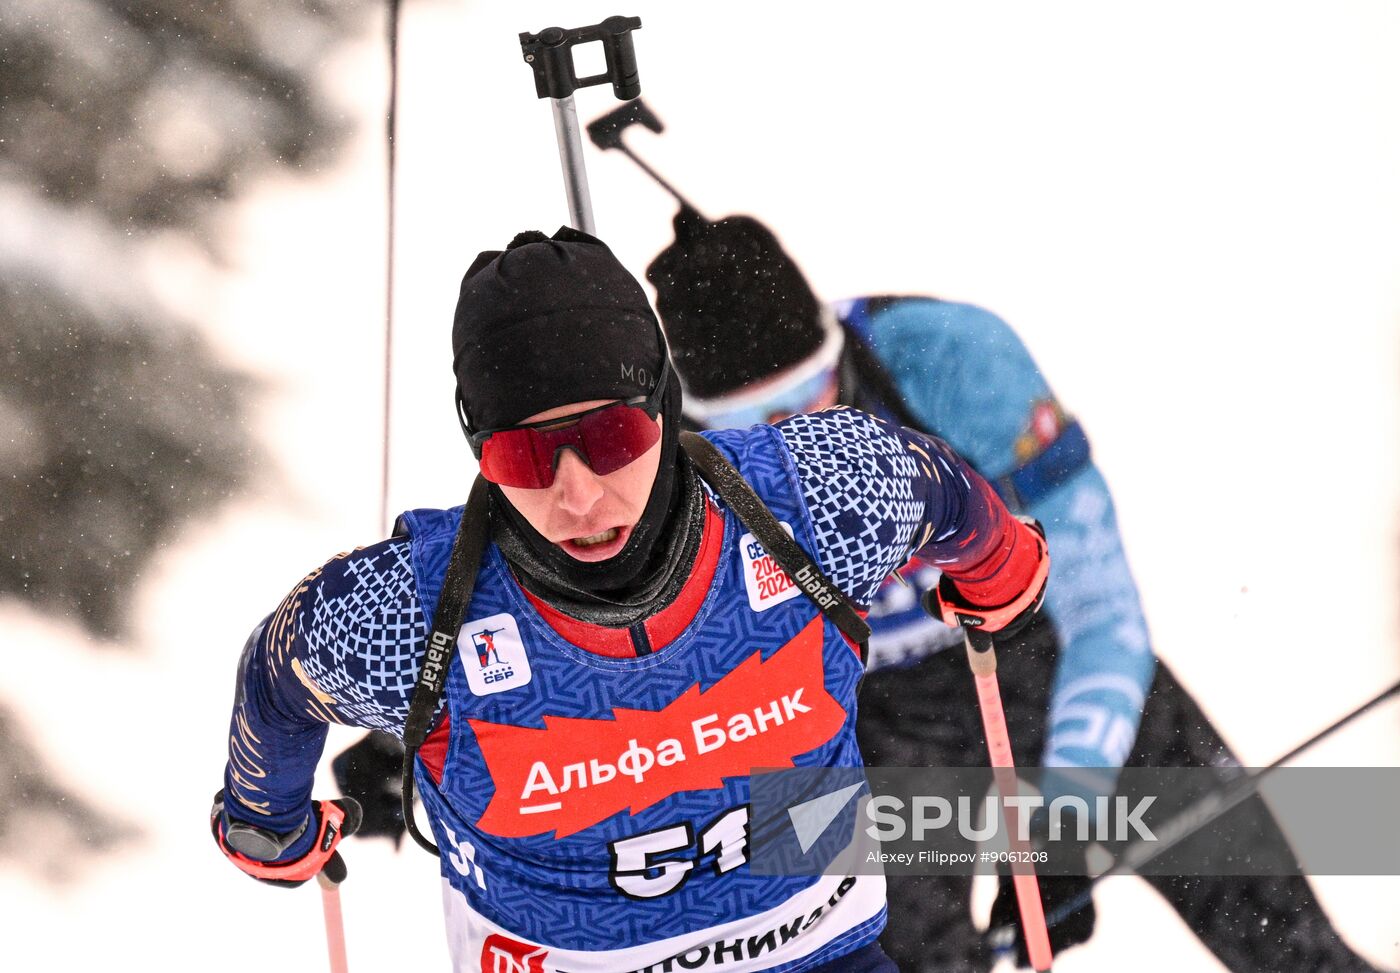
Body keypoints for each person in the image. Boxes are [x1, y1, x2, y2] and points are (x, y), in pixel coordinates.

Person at [210, 227, 1051, 972]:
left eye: (610, 437)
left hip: (816, 949)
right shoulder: (409, 613)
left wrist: (999, 567)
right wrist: (265, 818)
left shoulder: (812, 498)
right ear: (478, 449)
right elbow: (281, 669)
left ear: (662, 404)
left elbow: (943, 493)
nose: (578, 497)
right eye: (525, 458)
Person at [643, 209, 1387, 973]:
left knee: (1290, 944)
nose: (796, 435)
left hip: (1037, 656)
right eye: (752, 423)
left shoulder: (948, 357)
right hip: (868, 724)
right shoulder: (652, 465)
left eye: (809, 396)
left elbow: (1101, 610)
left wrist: (1067, 812)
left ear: (838, 353)